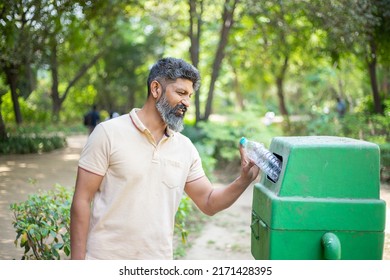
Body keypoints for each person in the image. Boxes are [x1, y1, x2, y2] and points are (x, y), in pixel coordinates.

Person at [70, 57, 259, 260]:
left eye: (190, 96)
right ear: (156, 89)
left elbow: (208, 202)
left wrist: (244, 180)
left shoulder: (185, 148)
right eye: (181, 93)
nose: (186, 102)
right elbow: (82, 200)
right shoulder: (108, 133)